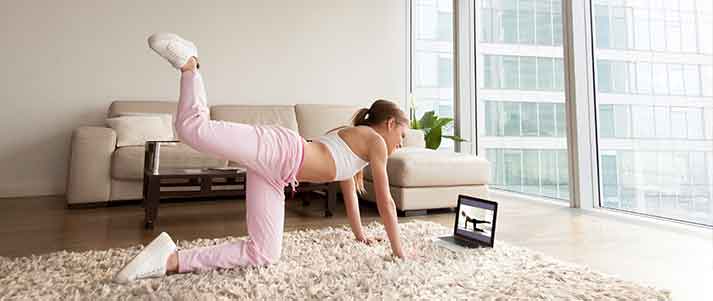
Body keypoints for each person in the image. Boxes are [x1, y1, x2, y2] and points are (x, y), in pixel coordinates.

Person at [114, 33, 412, 283]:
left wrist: (360, 234)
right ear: (389, 124)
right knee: (193, 129)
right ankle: (191, 64)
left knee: (264, 252)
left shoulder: (358, 141)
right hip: (280, 149)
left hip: (276, 174)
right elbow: (385, 201)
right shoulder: (374, 141)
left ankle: (171, 260)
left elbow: (348, 188)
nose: (401, 143)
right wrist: (399, 251)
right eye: (402, 135)